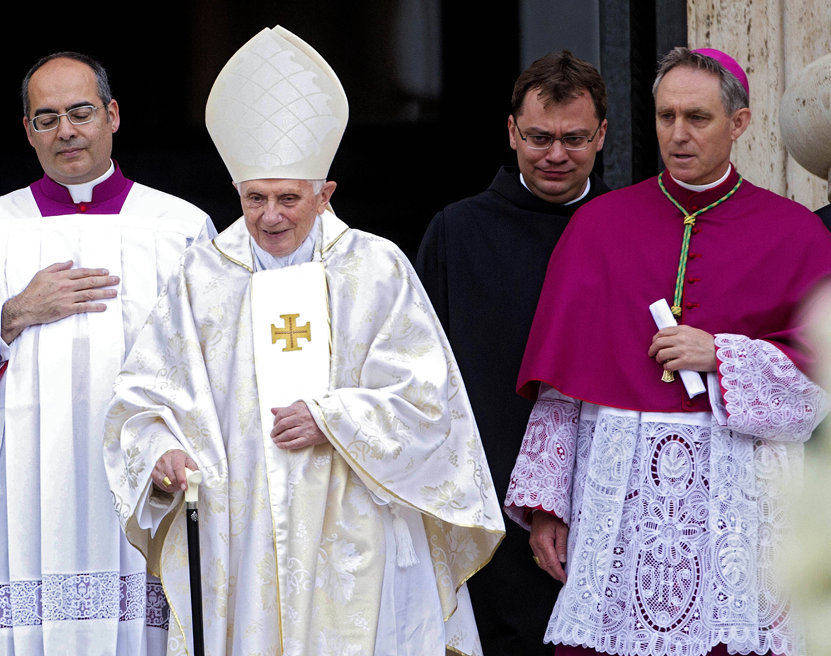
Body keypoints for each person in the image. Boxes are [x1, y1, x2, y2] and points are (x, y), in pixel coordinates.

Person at [103, 26, 504, 656]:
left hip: (359, 530)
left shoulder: (377, 269)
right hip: (243, 534)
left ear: (326, 195)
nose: (269, 217)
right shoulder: (202, 277)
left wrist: (333, 418)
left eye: (288, 198)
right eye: (254, 198)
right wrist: (157, 452)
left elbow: (430, 404)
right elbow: (143, 398)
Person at [504, 47, 831, 656]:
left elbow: (818, 391)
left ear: (739, 123)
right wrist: (547, 505)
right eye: (665, 117)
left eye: (697, 118)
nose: (677, 135)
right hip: (617, 490)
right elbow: (561, 388)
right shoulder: (598, 226)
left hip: (740, 497)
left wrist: (724, 355)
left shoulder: (796, 234)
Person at [0, 52, 215, 655]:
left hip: (144, 483)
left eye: (80, 112)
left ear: (112, 115)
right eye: (46, 118)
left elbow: (219, 359)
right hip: (24, 487)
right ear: (27, 130)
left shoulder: (180, 227)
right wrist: (12, 315)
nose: (65, 130)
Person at [415, 50, 610, 656]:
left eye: (574, 139)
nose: (556, 155)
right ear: (511, 132)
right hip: (489, 506)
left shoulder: (625, 229)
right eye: (539, 137)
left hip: (608, 497)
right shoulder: (457, 232)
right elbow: (419, 373)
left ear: (602, 135)